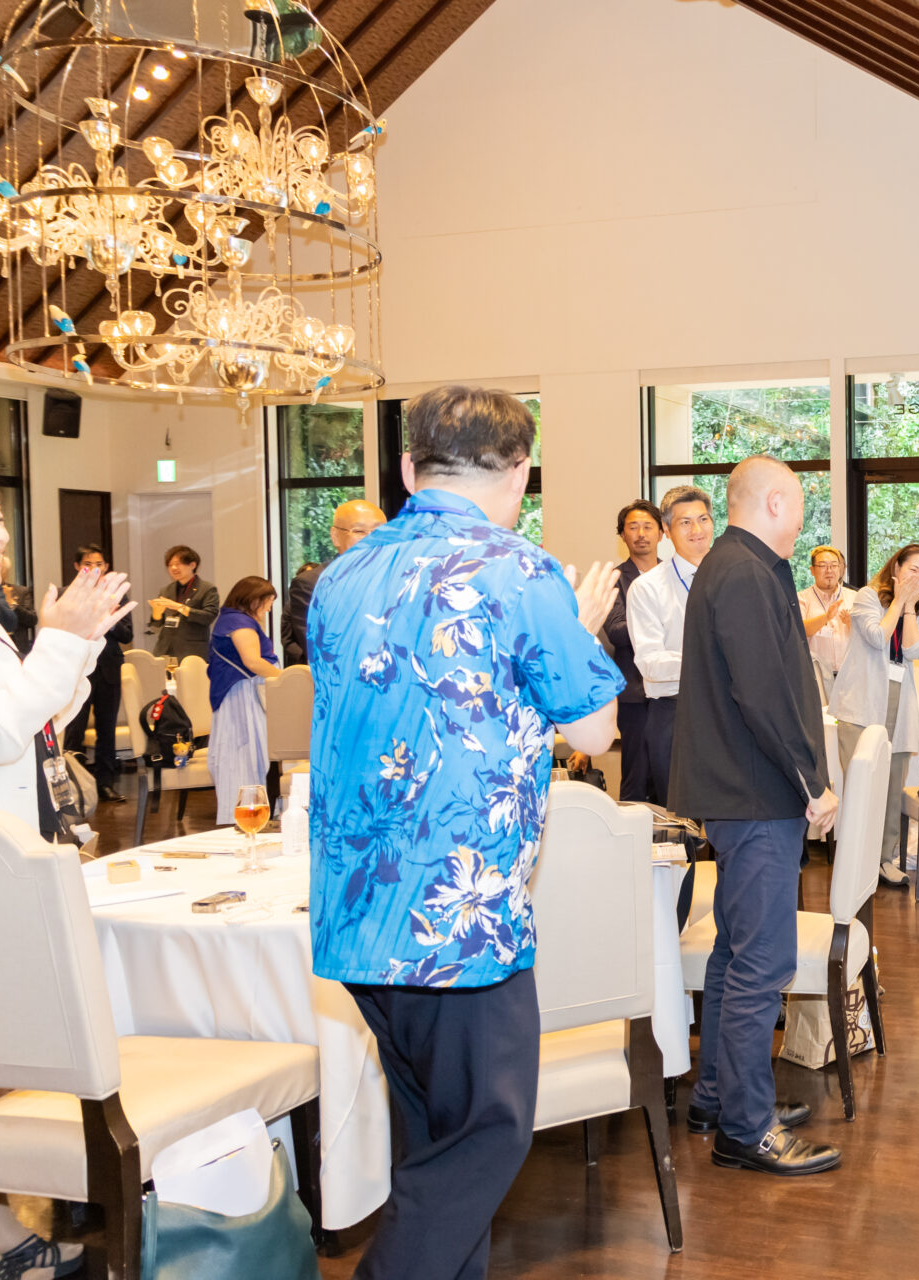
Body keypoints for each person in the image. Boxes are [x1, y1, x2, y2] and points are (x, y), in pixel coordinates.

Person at [307, 385, 623, 1280]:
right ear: (520, 472)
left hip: (358, 913)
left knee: (435, 1145)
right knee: (489, 1133)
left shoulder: (341, 575)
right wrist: (577, 630)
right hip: (459, 918)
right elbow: (596, 731)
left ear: (410, 468)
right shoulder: (520, 571)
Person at [670, 455, 841, 1176]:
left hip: (745, 793)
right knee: (761, 962)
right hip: (758, 794)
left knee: (734, 952)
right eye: (798, 504)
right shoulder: (742, 572)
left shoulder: (739, 566)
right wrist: (812, 783)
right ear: (774, 502)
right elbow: (764, 694)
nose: (802, 521)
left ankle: (718, 1096)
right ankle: (746, 1127)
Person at [0, 505, 130, 1280]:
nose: (3, 548)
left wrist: (78, 645)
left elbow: (44, 719)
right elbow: (3, 730)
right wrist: (58, 642)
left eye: (4, 535)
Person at [832, 542, 919, 888]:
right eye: (913, 570)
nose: (918, 578)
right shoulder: (867, 597)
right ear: (896, 568)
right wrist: (899, 601)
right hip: (861, 703)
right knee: (861, 785)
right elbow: (877, 637)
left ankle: (884, 860)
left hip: (900, 704)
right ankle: (855, 860)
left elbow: (913, 650)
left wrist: (910, 608)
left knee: (892, 788)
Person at [626, 485, 714, 807]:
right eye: (685, 522)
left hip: (728, 711)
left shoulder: (734, 579)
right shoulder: (647, 588)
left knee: (730, 820)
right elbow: (650, 662)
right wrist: (708, 660)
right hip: (675, 712)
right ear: (666, 529)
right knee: (681, 817)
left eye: (703, 519)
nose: (696, 530)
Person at [602, 497, 665, 803]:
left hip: (673, 691)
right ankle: (634, 836)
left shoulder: (676, 577)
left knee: (673, 780)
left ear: (662, 533)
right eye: (633, 527)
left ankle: (680, 836)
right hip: (635, 696)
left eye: (648, 527)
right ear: (622, 535)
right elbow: (617, 631)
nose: (641, 534)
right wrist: (664, 624)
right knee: (636, 781)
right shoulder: (614, 580)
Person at [207, 576, 283, 825]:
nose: (269, 608)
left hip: (243, 694)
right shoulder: (238, 622)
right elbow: (252, 661)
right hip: (241, 696)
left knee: (249, 757)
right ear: (254, 599)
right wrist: (285, 679)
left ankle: (249, 814)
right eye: (268, 601)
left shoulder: (235, 620)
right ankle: (242, 816)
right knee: (242, 755)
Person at [61, 544, 135, 803]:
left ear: (106, 567)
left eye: (99, 564)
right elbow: (62, 632)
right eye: (88, 564)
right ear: (77, 567)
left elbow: (127, 635)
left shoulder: (116, 596)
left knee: (107, 729)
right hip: (78, 670)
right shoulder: (67, 594)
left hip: (108, 668)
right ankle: (73, 786)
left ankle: (105, 784)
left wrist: (108, 620)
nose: (94, 569)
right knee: (75, 730)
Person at [284, 499, 387, 665]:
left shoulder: (403, 578)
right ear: (335, 536)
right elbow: (321, 648)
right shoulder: (312, 584)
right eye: (359, 531)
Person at [147, 544, 219, 662]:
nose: (173, 568)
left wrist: (178, 607)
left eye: (178, 564)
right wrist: (157, 613)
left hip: (192, 651)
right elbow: (157, 624)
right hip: (165, 650)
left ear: (192, 565)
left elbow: (208, 616)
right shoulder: (166, 590)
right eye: (170, 565)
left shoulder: (207, 589)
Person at [799, 545, 852, 701]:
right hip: (815, 677)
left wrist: (852, 624)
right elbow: (800, 630)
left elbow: (867, 636)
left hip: (849, 675)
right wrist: (826, 617)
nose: (829, 570)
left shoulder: (854, 597)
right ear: (812, 570)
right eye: (823, 566)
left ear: (840, 569)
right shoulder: (801, 598)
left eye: (834, 565)